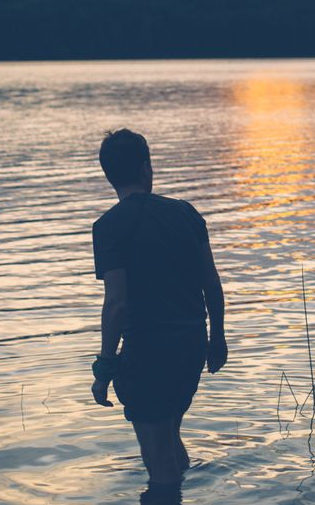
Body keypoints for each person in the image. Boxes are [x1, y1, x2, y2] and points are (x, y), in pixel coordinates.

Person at [91, 129, 227, 486]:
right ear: (146, 167)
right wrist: (218, 339)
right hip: (191, 346)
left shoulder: (108, 227)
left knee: (156, 452)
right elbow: (210, 283)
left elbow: (117, 303)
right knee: (169, 438)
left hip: (148, 351)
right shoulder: (185, 213)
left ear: (109, 175)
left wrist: (104, 367)